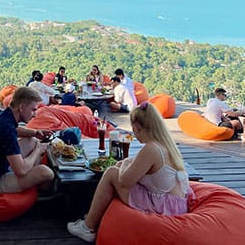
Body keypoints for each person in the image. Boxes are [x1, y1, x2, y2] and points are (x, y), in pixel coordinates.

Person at [67, 102, 191, 242]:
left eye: (134, 129)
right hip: (175, 203)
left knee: (111, 173)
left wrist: (124, 163)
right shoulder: (166, 144)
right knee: (116, 170)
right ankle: (94, 217)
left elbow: (125, 181)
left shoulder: (151, 149)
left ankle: (88, 227)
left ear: (138, 128)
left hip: (162, 207)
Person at [0, 86, 55, 194]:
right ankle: (42, 195)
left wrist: (35, 132)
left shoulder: (0, 116)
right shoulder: (6, 129)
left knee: (32, 140)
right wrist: (38, 150)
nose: (35, 115)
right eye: (33, 110)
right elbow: (21, 171)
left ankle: (31, 177)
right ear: (21, 107)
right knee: (46, 172)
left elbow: (15, 130)